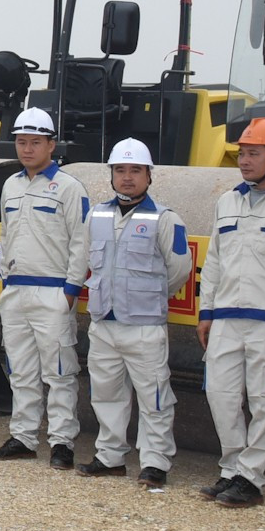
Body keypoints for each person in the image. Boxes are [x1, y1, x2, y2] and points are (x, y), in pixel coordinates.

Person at [196, 117, 265, 508]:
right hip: (226, 317)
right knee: (221, 394)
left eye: (254, 153)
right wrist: (206, 311)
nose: (244, 161)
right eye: (242, 153)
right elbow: (213, 262)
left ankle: (251, 476)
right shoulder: (226, 202)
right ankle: (231, 468)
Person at [76, 139, 194, 489]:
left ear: (149, 176)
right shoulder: (97, 215)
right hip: (104, 322)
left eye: (135, 171)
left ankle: (155, 462)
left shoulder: (165, 218)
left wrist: (147, 297)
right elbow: (86, 260)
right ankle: (110, 456)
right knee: (106, 393)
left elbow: (179, 270)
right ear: (111, 175)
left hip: (144, 325)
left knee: (154, 396)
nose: (127, 178)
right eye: (120, 171)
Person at [0, 108, 89, 469]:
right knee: (21, 369)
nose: (27, 149)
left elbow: (81, 240)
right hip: (16, 291)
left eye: (34, 142)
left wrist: (70, 290)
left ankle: (62, 442)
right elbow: (4, 235)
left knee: (59, 370)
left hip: (52, 291)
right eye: (21, 142)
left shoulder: (69, 187)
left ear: (51, 144)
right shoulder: (11, 185)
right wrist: (4, 281)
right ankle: (24, 436)